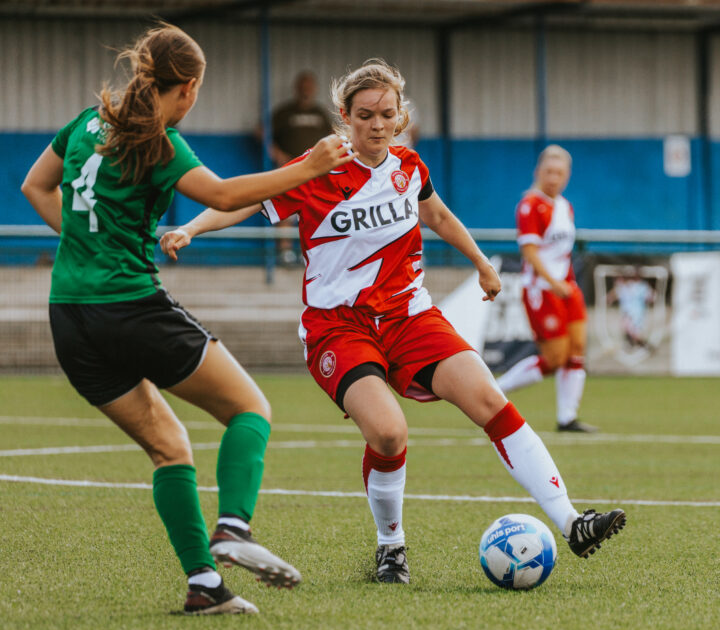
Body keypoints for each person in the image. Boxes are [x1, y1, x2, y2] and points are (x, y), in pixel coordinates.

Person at [161, 59, 626, 585]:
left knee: (491, 400)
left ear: (399, 115)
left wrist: (481, 263)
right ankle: (391, 546)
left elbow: (439, 216)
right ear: (345, 116)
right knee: (387, 433)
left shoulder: (410, 167)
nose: (376, 125)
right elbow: (241, 203)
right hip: (339, 328)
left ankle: (571, 521)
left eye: (385, 114)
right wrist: (192, 229)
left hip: (411, 316)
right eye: (364, 115)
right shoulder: (316, 170)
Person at [20, 23, 354, 615]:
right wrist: (310, 166)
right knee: (250, 408)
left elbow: (34, 186)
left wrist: (87, 246)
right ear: (190, 86)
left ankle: (204, 584)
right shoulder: (161, 142)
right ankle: (232, 529)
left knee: (170, 447)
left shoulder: (83, 123)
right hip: (129, 306)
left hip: (69, 317)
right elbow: (223, 196)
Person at [495, 145, 597, 433]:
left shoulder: (565, 206)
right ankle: (494, 391)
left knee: (576, 352)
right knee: (554, 359)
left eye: (560, 172)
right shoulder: (530, 205)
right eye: (549, 171)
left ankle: (567, 418)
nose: (554, 177)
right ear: (538, 172)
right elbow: (530, 252)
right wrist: (554, 285)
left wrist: (565, 285)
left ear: (567, 176)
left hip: (567, 288)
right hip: (543, 289)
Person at [270, 71, 335, 266]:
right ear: (297, 88)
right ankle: (286, 252)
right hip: (291, 169)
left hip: (317, 170)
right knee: (286, 208)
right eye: (303, 86)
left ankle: (314, 252)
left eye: (309, 87)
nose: (306, 91)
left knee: (318, 210)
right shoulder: (284, 112)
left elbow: (334, 135)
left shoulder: (320, 113)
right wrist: (278, 155)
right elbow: (262, 132)